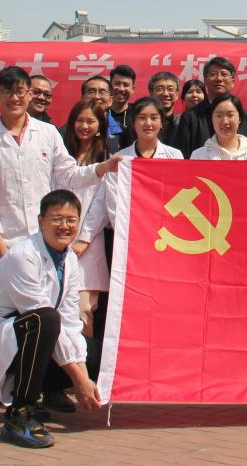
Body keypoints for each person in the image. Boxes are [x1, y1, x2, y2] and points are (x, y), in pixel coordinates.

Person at [0, 190, 102, 449]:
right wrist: (78, 380)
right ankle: (20, 415)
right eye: (56, 219)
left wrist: (84, 378)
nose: (64, 226)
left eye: (71, 220)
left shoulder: (70, 259)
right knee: (46, 320)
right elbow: (44, 317)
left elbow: (69, 323)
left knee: (97, 354)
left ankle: (49, 391)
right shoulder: (23, 256)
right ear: (41, 221)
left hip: (32, 334)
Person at [0, 67, 121, 277]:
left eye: (20, 91)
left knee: (46, 295)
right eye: (7, 92)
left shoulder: (47, 133)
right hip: (6, 240)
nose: (14, 98)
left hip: (44, 237)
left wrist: (102, 168)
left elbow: (69, 176)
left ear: (29, 94)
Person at [79, 97, 184, 345]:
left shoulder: (175, 156)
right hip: (129, 244)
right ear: (133, 123)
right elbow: (109, 204)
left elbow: (178, 199)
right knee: (130, 299)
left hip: (166, 243)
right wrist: (84, 238)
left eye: (154, 118)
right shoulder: (120, 159)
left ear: (162, 123)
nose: (148, 123)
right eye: (142, 118)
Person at [59, 99, 109, 355]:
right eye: (80, 120)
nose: (85, 126)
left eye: (91, 121)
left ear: (100, 126)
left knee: (84, 310)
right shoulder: (61, 155)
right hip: (58, 239)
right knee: (59, 307)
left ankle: (83, 363)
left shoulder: (105, 159)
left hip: (88, 244)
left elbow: (101, 204)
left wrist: (84, 239)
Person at [172, 57, 247, 155]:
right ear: (205, 81)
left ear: (233, 82)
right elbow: (181, 157)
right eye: (213, 74)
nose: (219, 79)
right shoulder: (190, 116)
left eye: (224, 74)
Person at [189, 94, 247, 160]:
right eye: (219, 116)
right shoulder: (199, 156)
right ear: (212, 119)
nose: (225, 121)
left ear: (240, 119)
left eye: (230, 115)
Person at [79, 75, 123, 155]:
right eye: (91, 92)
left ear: (111, 100)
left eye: (102, 92)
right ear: (82, 98)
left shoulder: (123, 132)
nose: (97, 97)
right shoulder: (67, 131)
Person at [148, 71, 181, 145]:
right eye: (160, 89)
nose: (165, 94)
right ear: (151, 93)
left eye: (170, 89)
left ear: (177, 94)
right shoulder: (143, 124)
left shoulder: (182, 124)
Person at [108, 65, 136, 148]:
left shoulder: (138, 113)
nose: (121, 89)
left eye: (126, 85)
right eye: (117, 84)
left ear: (133, 89)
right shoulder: (100, 113)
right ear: (109, 86)